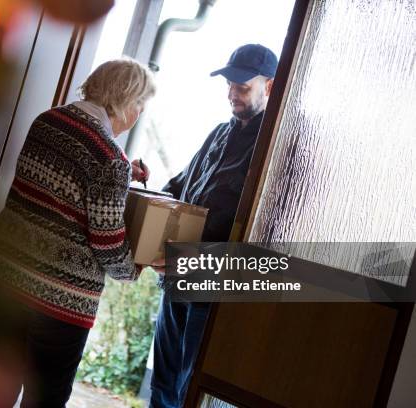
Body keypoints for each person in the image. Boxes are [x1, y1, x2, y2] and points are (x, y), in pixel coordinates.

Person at [0, 58, 155, 407]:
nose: (138, 114)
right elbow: (107, 243)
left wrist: (121, 176)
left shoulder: (48, 121)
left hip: (8, 274)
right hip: (60, 299)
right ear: (126, 101)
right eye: (139, 105)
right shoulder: (110, 158)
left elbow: (63, 186)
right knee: (47, 397)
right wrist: (135, 268)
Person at [150, 44, 278, 407]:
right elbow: (179, 186)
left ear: (268, 86)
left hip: (215, 287)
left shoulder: (273, 144)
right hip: (177, 277)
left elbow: (263, 228)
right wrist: (140, 192)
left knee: (192, 387)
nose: (232, 94)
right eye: (229, 85)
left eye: (242, 86)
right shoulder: (218, 133)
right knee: (164, 383)